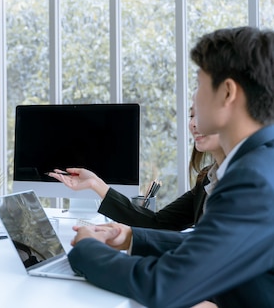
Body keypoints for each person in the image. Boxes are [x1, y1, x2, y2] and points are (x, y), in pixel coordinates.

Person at [67, 26, 274, 308]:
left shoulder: (253, 179)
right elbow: (216, 247)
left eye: (200, 85)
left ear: (227, 93)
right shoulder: (261, 164)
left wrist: (87, 248)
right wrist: (130, 237)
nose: (194, 102)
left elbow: (162, 287)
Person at [48, 108, 225, 230]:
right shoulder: (207, 179)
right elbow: (158, 224)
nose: (193, 124)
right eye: (191, 116)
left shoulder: (245, 181)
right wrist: (96, 184)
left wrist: (128, 239)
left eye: (202, 114)